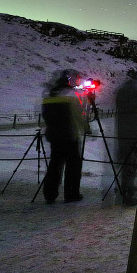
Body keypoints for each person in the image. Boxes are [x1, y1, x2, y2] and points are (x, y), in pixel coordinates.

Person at [41, 70, 88, 203]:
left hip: (54, 135)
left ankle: (50, 194)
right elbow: (78, 116)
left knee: (55, 164)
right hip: (70, 135)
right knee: (73, 165)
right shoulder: (71, 95)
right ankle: (71, 194)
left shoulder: (50, 94)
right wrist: (87, 128)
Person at [114, 77, 137, 206]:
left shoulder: (121, 92)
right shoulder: (136, 93)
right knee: (131, 160)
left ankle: (125, 186)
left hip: (122, 130)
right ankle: (127, 191)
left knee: (126, 159)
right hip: (133, 131)